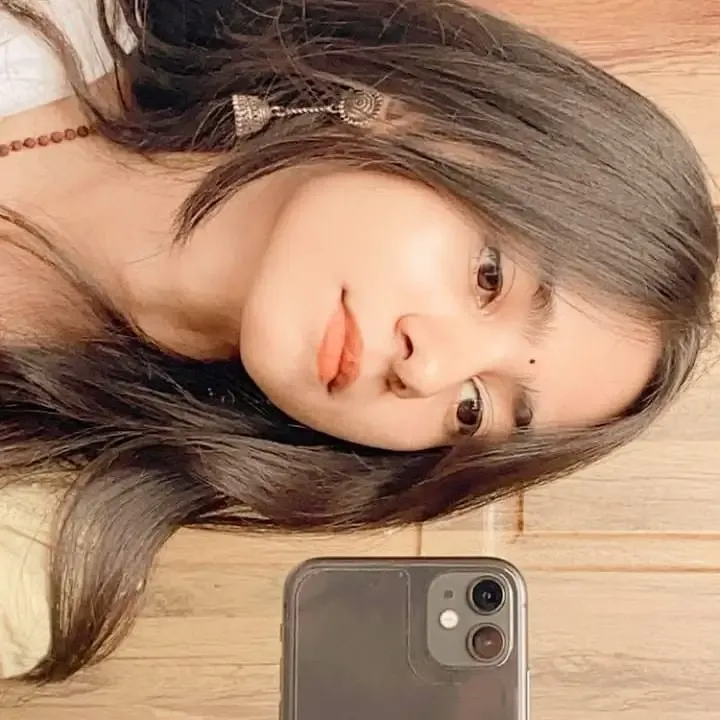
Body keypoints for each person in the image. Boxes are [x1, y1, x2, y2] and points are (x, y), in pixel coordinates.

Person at [0, 0, 716, 682]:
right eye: (489, 278)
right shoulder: (71, 23)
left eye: (473, 410)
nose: (428, 371)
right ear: (419, 117)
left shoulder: (26, 556)